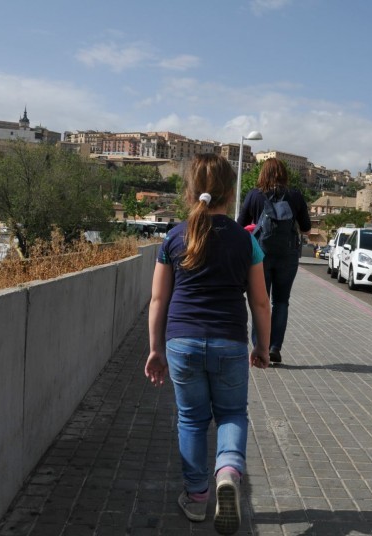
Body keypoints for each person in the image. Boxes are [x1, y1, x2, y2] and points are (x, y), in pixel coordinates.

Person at [145, 153, 271, 535]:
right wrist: (262, 348)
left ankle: (197, 498)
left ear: (190, 189)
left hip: (181, 342)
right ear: (230, 193)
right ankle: (229, 472)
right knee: (232, 414)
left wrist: (155, 349)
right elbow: (261, 302)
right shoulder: (245, 240)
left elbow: (157, 300)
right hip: (229, 341)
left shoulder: (174, 236)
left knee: (192, 419)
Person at [236, 158, 311, 365]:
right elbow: (306, 228)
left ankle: (260, 347)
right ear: (284, 174)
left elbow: (239, 226)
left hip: (260, 256)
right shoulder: (295, 195)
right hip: (288, 256)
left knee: (259, 301)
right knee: (281, 301)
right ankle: (275, 347)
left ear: (263, 174)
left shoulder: (254, 195)